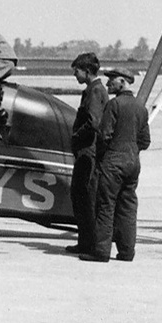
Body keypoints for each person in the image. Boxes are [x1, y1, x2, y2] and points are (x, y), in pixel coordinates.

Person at [82, 67, 150, 263]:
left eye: (112, 80)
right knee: (128, 207)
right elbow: (145, 141)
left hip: (113, 161)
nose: (109, 83)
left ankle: (101, 251)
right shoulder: (141, 107)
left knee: (106, 206)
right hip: (133, 162)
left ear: (123, 81)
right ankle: (127, 251)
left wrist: (104, 156)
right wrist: (132, 151)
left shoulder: (114, 105)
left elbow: (104, 135)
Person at [65, 53, 107, 257]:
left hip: (88, 153)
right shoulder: (92, 90)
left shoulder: (95, 91)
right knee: (80, 197)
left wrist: (76, 135)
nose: (75, 74)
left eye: (77, 71)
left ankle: (89, 244)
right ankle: (84, 242)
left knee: (86, 199)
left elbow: (93, 123)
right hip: (85, 152)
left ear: (87, 71)